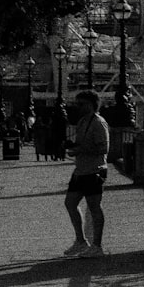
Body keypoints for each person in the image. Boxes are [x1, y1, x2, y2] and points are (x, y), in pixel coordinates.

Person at [62, 91, 110, 258]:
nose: (78, 107)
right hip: (81, 170)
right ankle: (81, 241)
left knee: (94, 206)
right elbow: (83, 144)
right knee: (70, 202)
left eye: (81, 104)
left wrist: (80, 150)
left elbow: (103, 149)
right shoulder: (83, 121)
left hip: (94, 170)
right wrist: (73, 145)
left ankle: (97, 246)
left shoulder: (98, 123)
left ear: (91, 104)